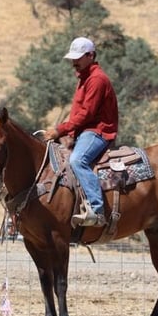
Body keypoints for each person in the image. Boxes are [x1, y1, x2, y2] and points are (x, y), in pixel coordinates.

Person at [44, 37, 119, 228]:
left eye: (78, 58)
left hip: (98, 131)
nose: (74, 62)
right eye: (72, 58)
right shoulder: (84, 78)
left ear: (90, 55)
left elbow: (87, 113)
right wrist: (69, 133)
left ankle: (97, 209)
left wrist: (60, 130)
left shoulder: (97, 79)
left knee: (78, 160)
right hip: (83, 131)